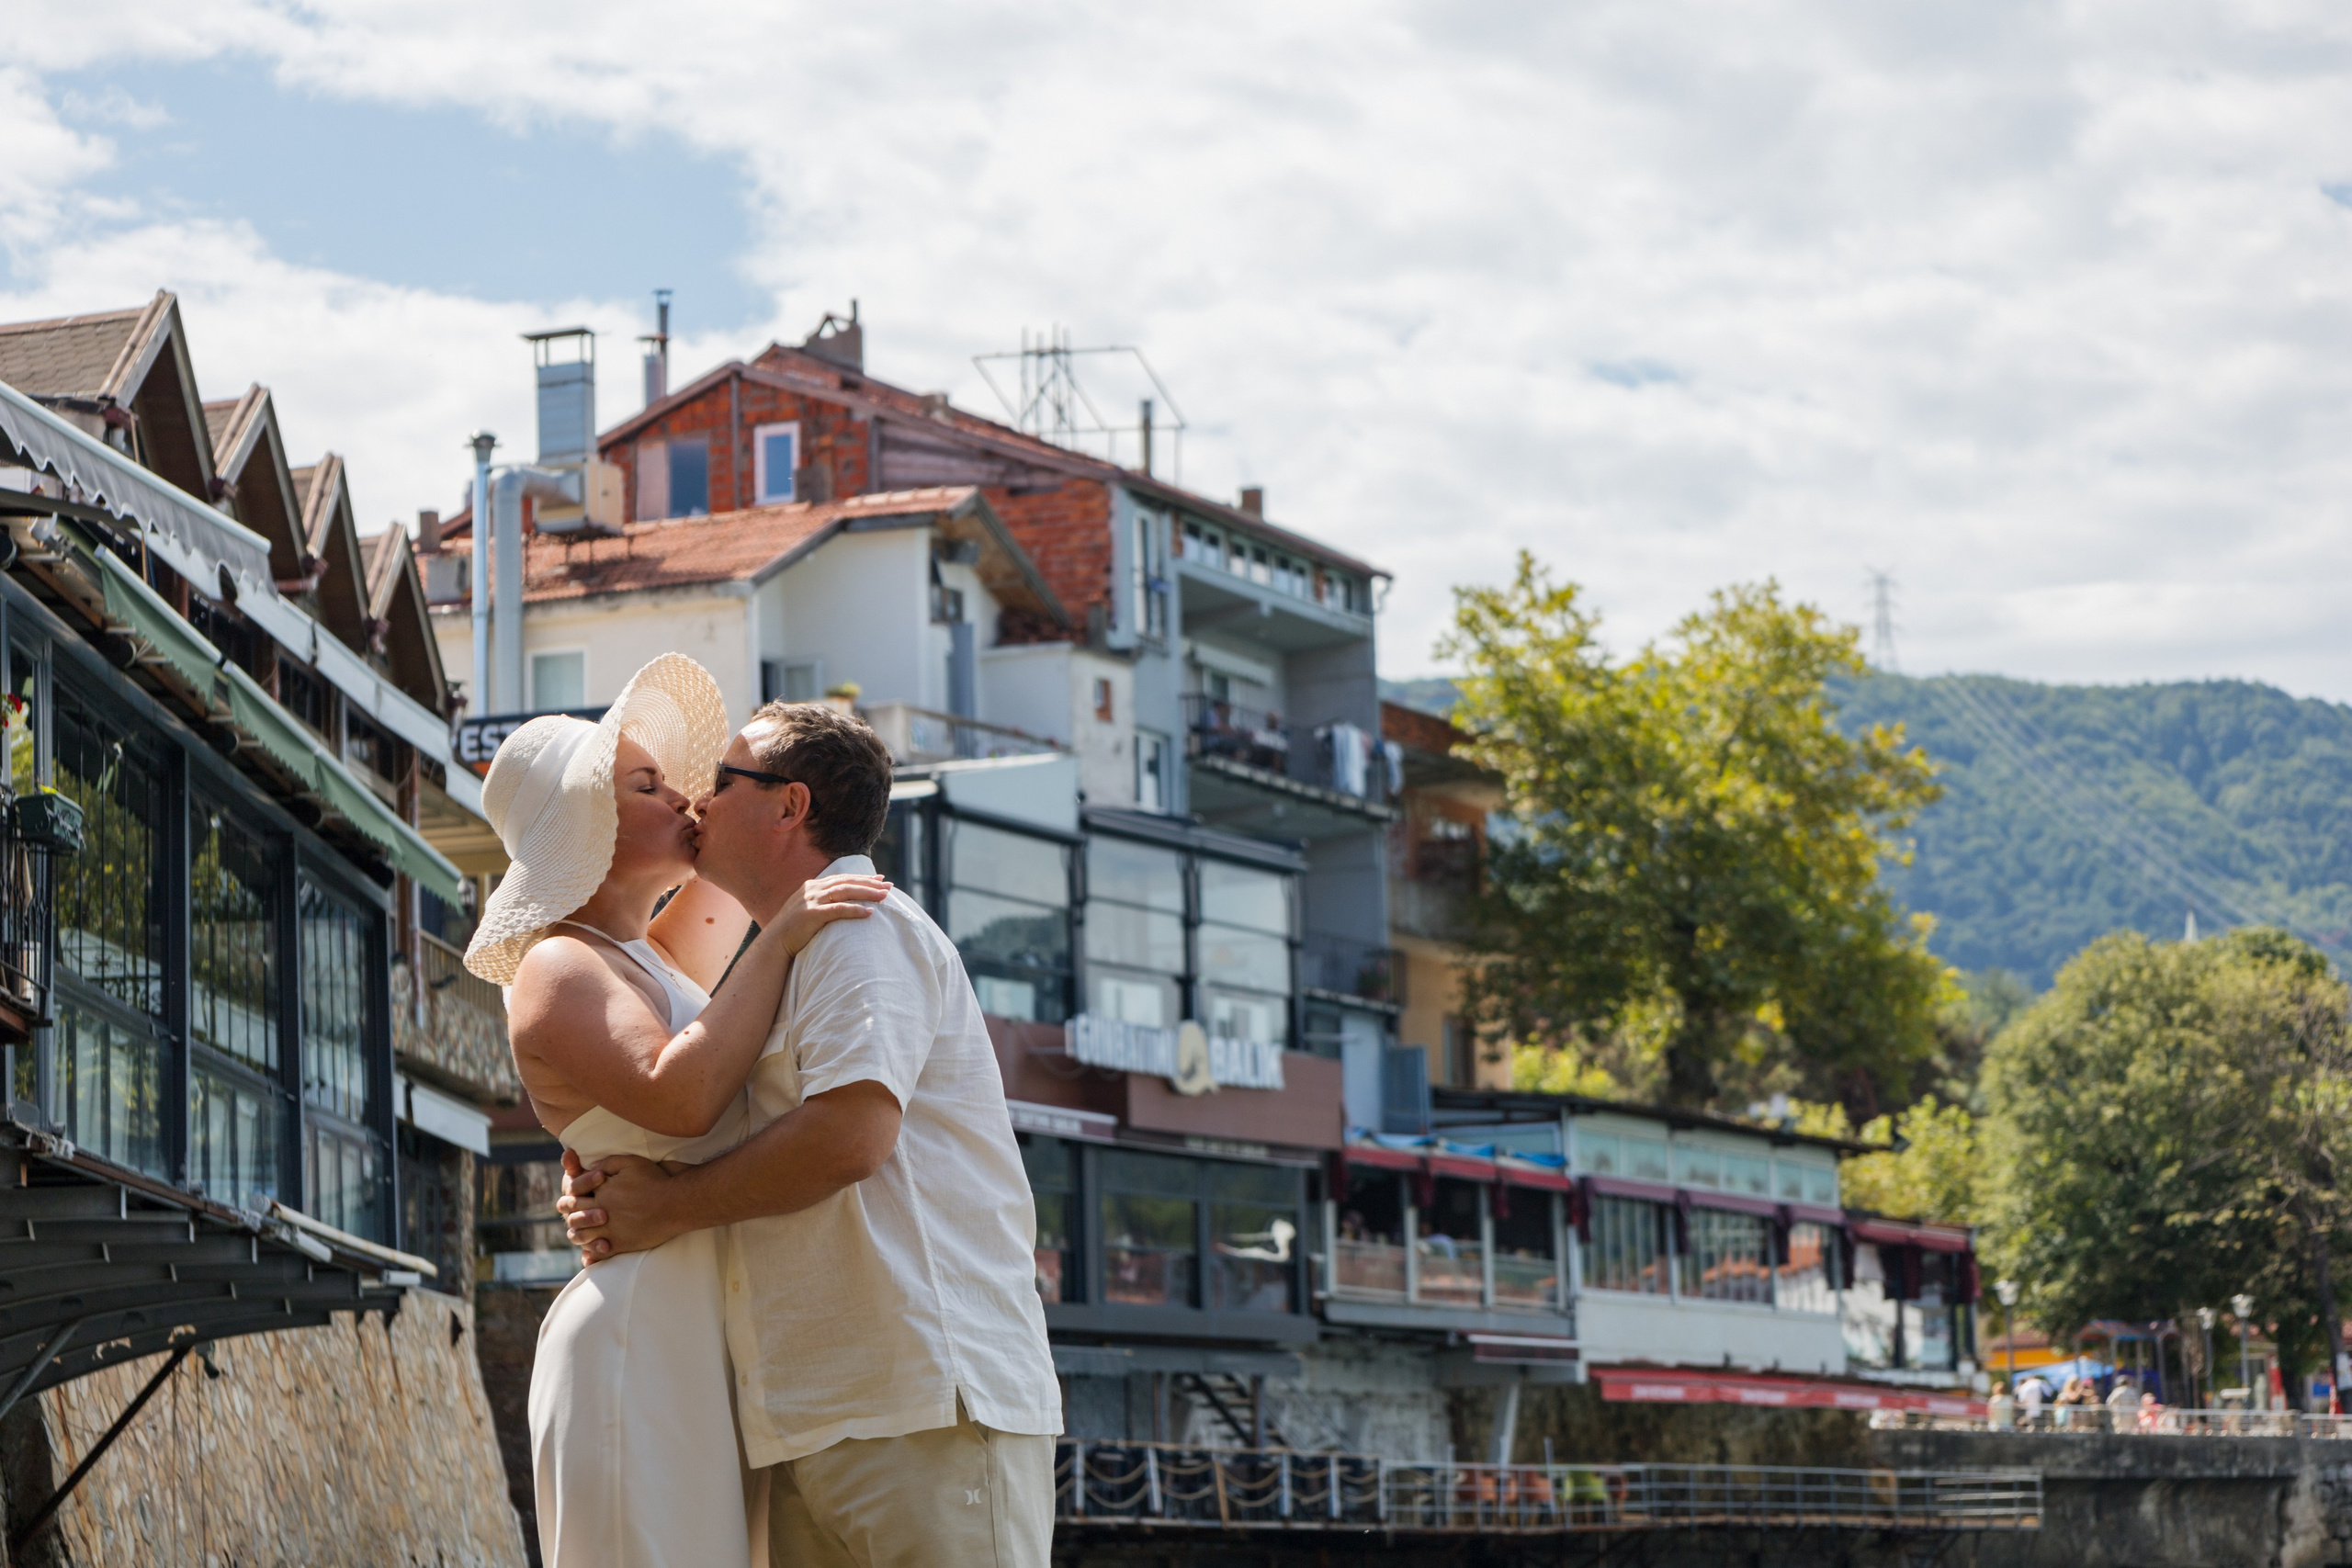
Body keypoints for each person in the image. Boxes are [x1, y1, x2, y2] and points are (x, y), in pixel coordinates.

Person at [560, 699, 1061, 1568]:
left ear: (790, 806)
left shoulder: (857, 926)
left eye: (721, 780)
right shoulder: (792, 952)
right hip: (827, 1417)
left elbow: (847, 1138)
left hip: (922, 1408)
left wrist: (667, 1207)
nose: (696, 801)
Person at [463, 655, 890, 1568]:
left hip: (706, 1331)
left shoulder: (653, 951)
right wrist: (780, 939)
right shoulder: (557, 965)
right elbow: (679, 1094)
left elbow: (755, 863)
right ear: (589, 821)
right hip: (638, 1331)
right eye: (649, 784)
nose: (689, 800)